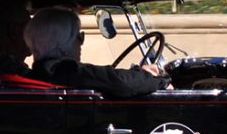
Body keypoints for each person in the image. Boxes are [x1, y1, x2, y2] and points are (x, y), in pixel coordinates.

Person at [24, 7, 169, 97]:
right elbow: (120, 82)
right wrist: (158, 80)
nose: (81, 43)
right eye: (79, 37)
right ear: (62, 44)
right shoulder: (67, 71)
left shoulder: (39, 73)